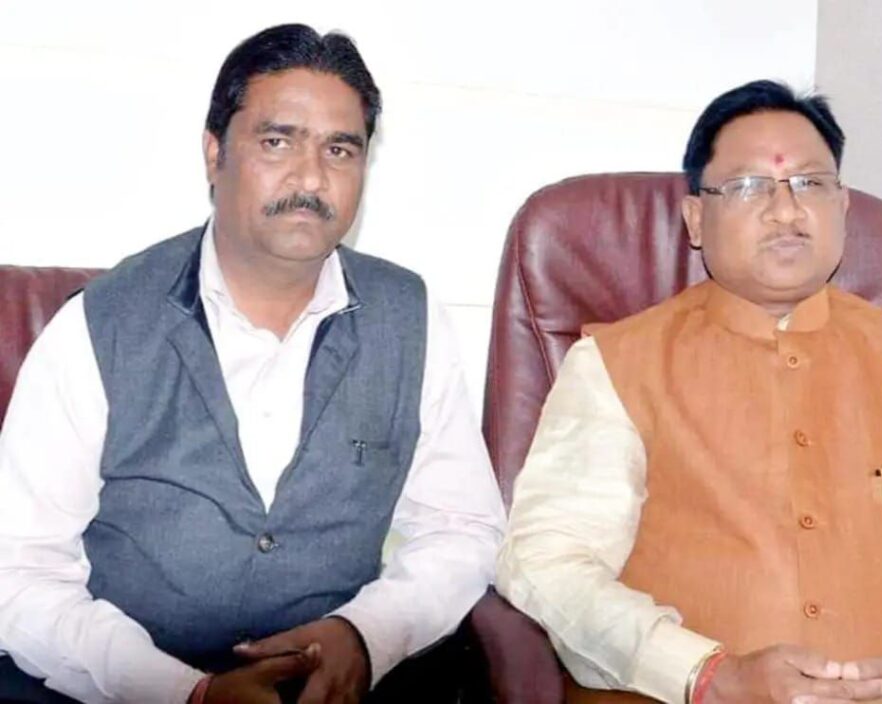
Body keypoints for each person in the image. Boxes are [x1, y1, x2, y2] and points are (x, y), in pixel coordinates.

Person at [0, 23, 505, 704]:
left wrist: (365, 635)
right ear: (215, 153)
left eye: (339, 149)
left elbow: (461, 528)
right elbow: (19, 569)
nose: (311, 178)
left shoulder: (409, 319)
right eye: (277, 142)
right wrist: (188, 692)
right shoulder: (99, 325)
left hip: (337, 684)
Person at [495, 80, 882, 704]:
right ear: (697, 219)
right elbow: (550, 562)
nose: (786, 211)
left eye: (810, 183)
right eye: (749, 186)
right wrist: (709, 675)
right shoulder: (615, 366)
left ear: (842, 207)